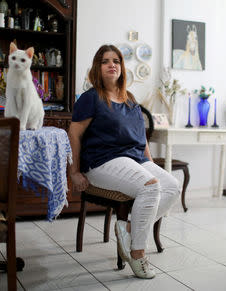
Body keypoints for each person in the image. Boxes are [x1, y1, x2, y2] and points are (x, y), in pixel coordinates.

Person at [68, 44, 181, 279]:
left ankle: (128, 230)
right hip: (102, 162)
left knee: (171, 186)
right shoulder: (91, 98)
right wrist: (75, 171)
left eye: (116, 61)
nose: (112, 65)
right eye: (105, 61)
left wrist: (152, 166)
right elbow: (74, 134)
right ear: (97, 68)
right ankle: (137, 253)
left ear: (121, 67)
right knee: (150, 187)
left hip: (135, 160)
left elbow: (142, 140)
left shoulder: (129, 98)